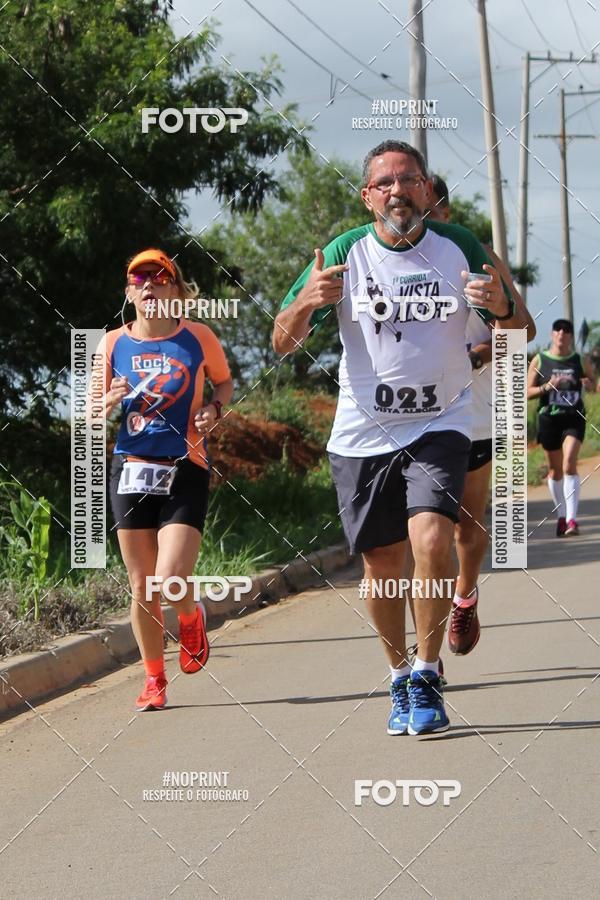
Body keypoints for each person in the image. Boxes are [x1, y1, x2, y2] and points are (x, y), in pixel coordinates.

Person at [272, 140, 529, 736]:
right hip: (363, 433)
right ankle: (396, 676)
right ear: (368, 198)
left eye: (408, 180)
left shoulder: (459, 247)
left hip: (441, 422)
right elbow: (281, 343)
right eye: (384, 183)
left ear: (426, 190)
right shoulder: (343, 253)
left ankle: (427, 670)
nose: (397, 191)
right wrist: (306, 303)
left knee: (433, 536)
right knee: (383, 567)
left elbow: (520, 329)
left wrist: (504, 311)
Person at [92, 248, 233, 710]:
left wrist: (214, 409)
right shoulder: (111, 344)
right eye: (139, 278)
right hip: (130, 468)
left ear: (175, 289)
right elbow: (91, 412)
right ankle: (154, 679)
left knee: (170, 577)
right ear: (130, 292)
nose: (149, 284)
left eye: (159, 276)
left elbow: (224, 384)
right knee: (141, 584)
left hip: (185, 466)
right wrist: (107, 402)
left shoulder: (198, 337)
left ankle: (190, 617)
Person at [427, 175, 536, 655]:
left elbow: (524, 328)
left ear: (447, 214)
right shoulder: (381, 260)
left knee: (466, 527)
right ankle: (427, 651)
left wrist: (483, 347)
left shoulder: (479, 258)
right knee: (424, 536)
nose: (423, 222)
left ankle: (465, 597)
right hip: (412, 418)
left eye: (432, 212)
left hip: (473, 414)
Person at [527, 319, 595, 536]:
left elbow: (594, 384)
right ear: (552, 333)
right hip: (549, 419)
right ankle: (562, 515)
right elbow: (526, 392)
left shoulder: (579, 359)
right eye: (558, 329)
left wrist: (589, 384)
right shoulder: (540, 359)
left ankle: (573, 520)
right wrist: (547, 386)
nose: (562, 333)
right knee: (555, 472)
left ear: (571, 336)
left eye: (567, 330)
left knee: (568, 464)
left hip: (573, 418)